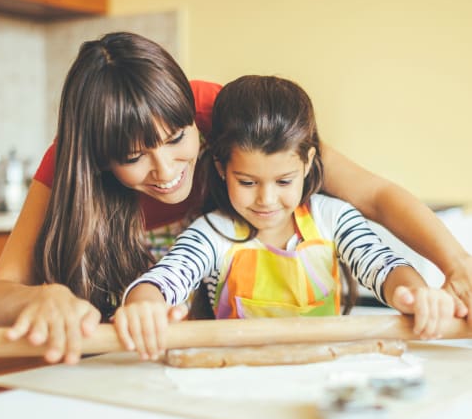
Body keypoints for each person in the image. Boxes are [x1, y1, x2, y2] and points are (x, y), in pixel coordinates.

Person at [0, 32, 471, 365]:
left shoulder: (224, 114)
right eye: (133, 157)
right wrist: (47, 298)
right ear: (99, 159)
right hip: (147, 349)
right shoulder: (69, 162)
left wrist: (457, 266)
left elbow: (375, 197)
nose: (167, 173)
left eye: (177, 141)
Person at [115, 75, 456, 360]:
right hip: (234, 379)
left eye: (284, 181)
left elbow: (382, 266)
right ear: (221, 169)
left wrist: (415, 294)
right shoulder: (211, 233)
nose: (266, 199)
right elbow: (165, 279)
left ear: (307, 163)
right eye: (247, 182)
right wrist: (144, 306)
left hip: (324, 375)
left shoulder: (333, 219)